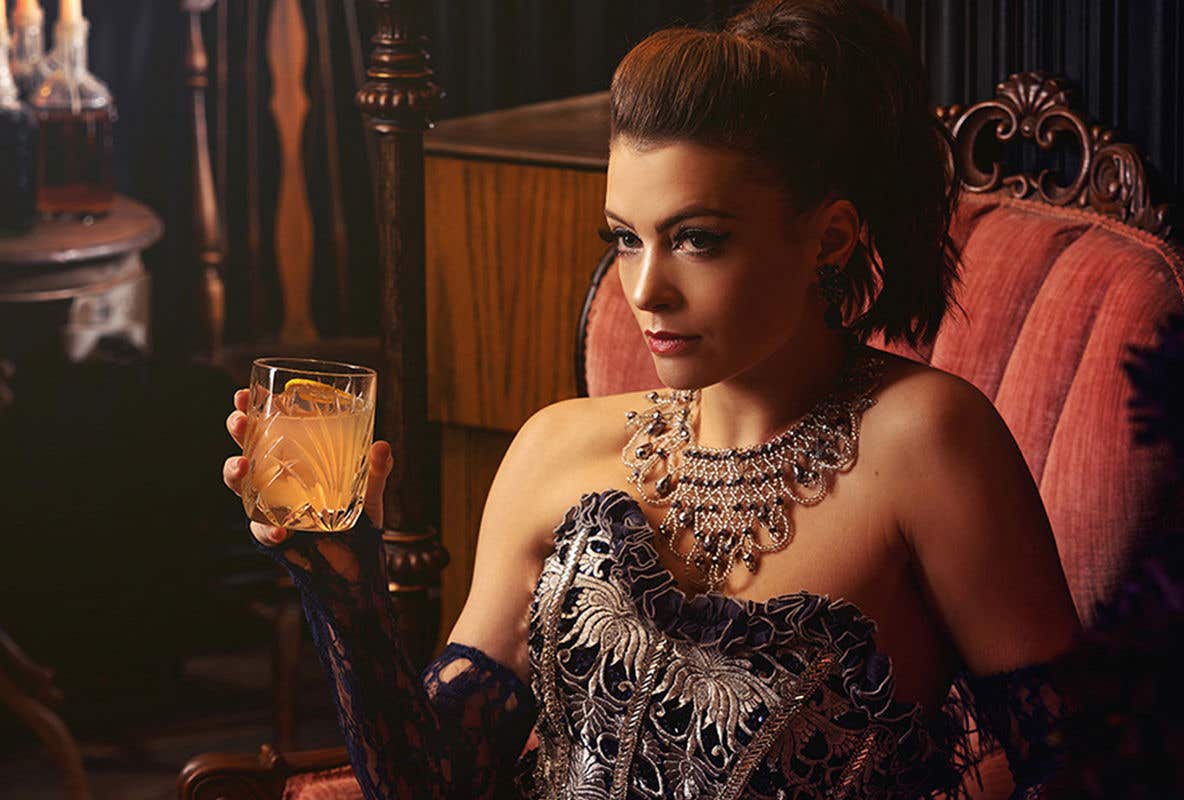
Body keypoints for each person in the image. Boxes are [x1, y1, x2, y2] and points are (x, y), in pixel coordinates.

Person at [221, 1, 1081, 797]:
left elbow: (1084, 770)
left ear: (831, 239)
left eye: (697, 240)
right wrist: (346, 592)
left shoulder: (930, 442)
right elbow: (428, 785)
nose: (645, 289)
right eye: (626, 239)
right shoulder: (555, 448)